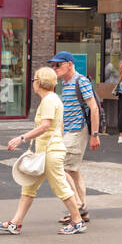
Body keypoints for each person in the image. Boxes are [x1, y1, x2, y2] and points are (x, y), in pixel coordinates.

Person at [0, 67, 87, 235]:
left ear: (40, 83)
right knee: (28, 187)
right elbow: (60, 127)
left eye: (34, 80)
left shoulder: (49, 101)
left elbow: (45, 126)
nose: (33, 83)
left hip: (50, 152)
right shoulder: (53, 99)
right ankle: (15, 223)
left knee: (60, 186)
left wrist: (21, 138)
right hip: (46, 151)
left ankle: (78, 221)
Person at [51, 51, 101, 224]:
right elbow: (67, 111)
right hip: (69, 132)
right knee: (73, 170)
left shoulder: (81, 81)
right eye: (53, 65)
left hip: (78, 131)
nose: (54, 68)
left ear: (70, 64)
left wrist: (95, 134)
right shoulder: (65, 84)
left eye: (58, 64)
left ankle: (78, 207)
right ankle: (82, 208)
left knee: (60, 167)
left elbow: (93, 108)